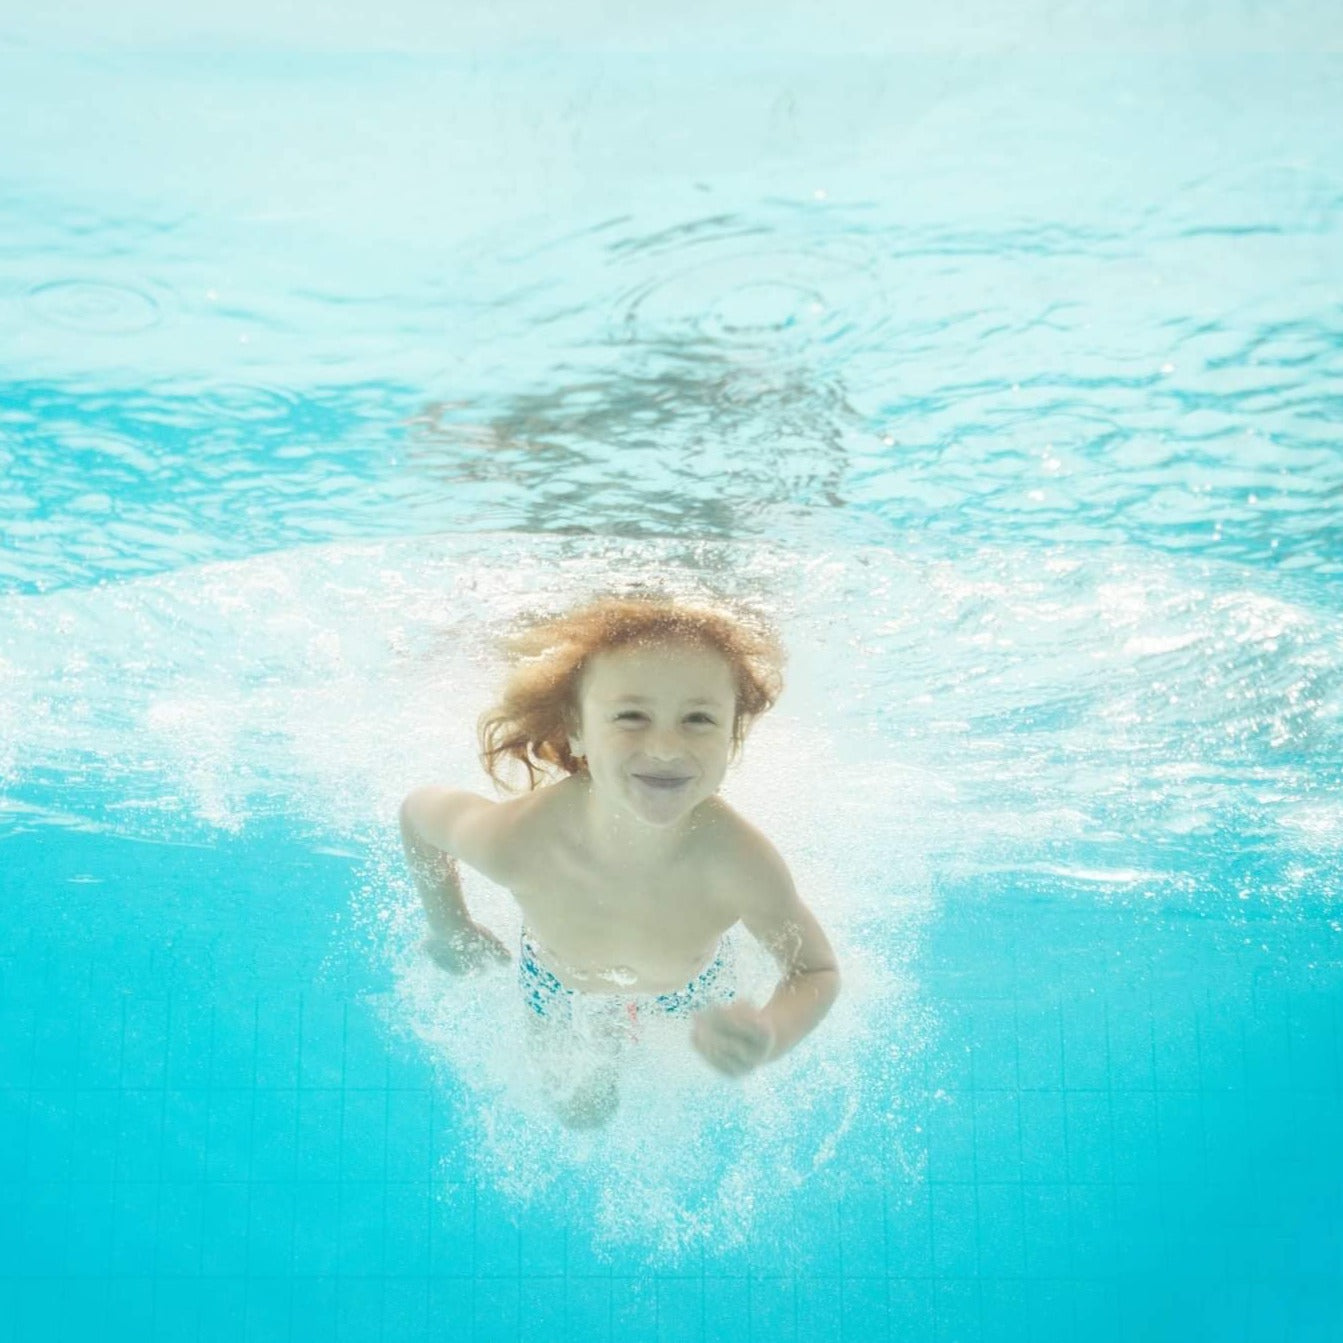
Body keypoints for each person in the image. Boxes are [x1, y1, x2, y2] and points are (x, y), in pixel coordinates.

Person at [399, 591, 840, 1127]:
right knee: (577, 1113)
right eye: (631, 716)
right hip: (554, 984)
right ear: (578, 728)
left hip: (693, 991)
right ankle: (605, 1049)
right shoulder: (521, 841)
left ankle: (620, 1037)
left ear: (734, 736)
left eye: (699, 718)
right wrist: (451, 926)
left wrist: (769, 1034)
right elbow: (419, 816)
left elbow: (813, 969)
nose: (664, 748)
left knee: (697, 1093)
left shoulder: (738, 861)